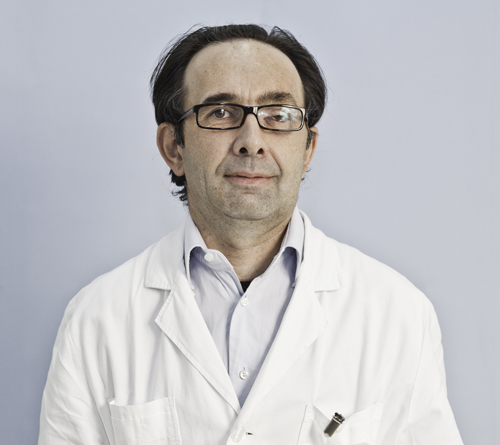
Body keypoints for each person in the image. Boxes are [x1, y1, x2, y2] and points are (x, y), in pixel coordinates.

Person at [39, 24, 463, 445]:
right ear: (173, 148)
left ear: (308, 148)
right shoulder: (97, 318)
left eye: (278, 116)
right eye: (221, 113)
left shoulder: (398, 314)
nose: (252, 141)